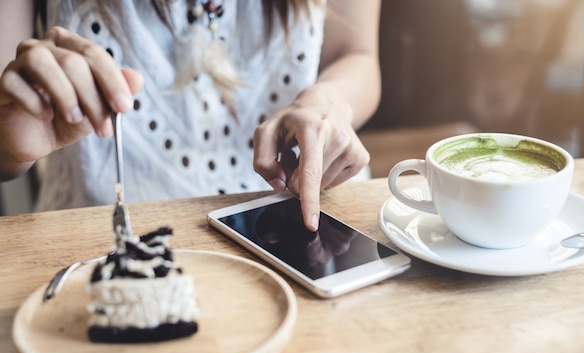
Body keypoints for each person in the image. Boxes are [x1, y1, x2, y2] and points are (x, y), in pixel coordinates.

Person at [0, 0, 381, 231]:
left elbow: (356, 55)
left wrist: (331, 100)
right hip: (99, 239)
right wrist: (9, 143)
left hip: (315, 219)